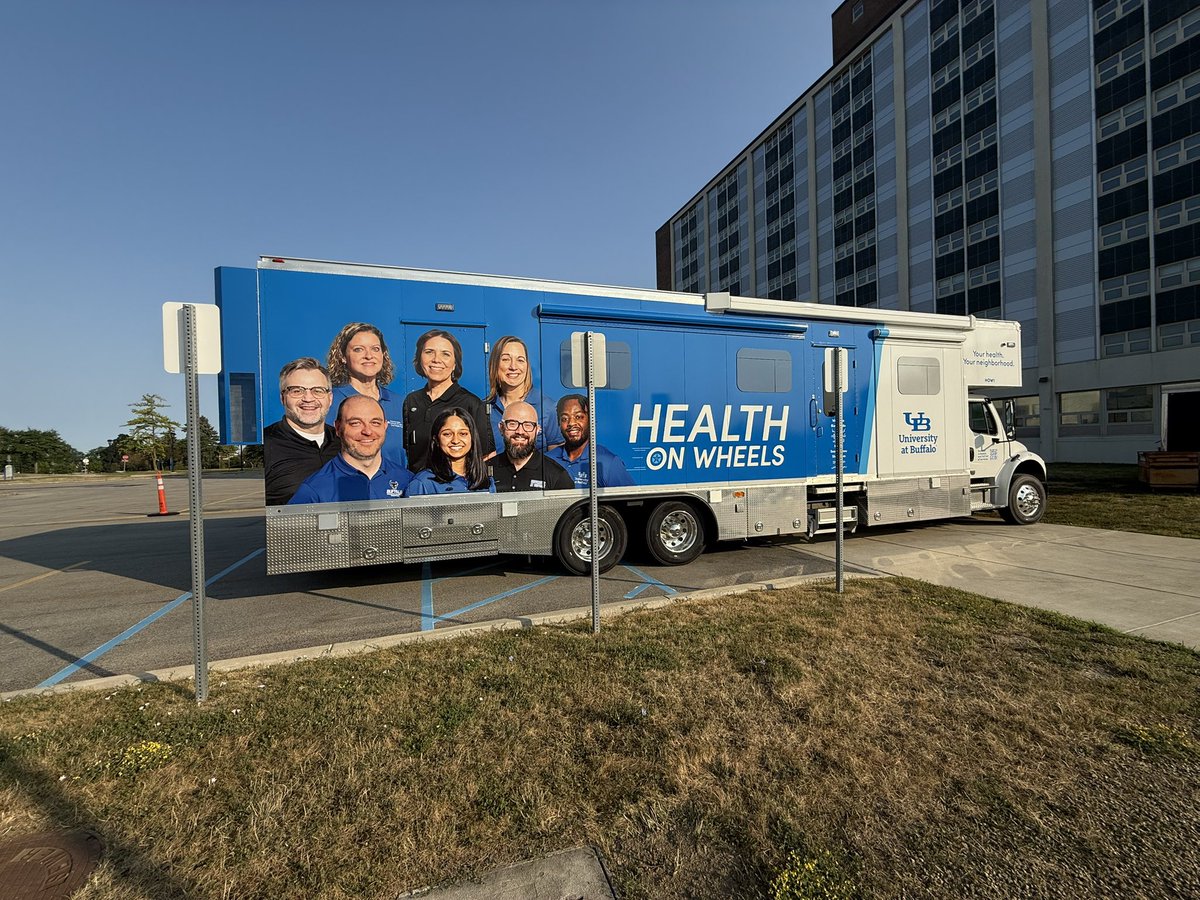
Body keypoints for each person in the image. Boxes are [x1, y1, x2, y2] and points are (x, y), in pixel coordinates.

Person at [289, 395, 412, 503]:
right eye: (355, 423)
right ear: (338, 428)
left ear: (385, 427)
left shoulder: (407, 480)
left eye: (375, 423)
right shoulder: (314, 490)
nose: (367, 431)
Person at [402, 329, 494, 473]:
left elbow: (486, 455)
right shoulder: (412, 401)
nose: (436, 359)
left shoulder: (471, 403)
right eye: (429, 352)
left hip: (456, 489)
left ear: (455, 363)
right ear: (419, 358)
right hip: (418, 488)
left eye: (445, 354)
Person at [326, 323, 408, 471]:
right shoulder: (329, 402)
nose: (369, 356)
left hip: (398, 489)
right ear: (343, 356)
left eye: (375, 349)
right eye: (359, 349)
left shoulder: (401, 404)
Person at [263, 358, 341, 505]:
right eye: (297, 391)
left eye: (318, 391)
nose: (308, 398)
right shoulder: (265, 444)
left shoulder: (345, 441)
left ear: (330, 398)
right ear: (283, 398)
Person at [484, 335, 563, 454]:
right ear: (494, 365)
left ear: (527, 366)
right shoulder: (483, 409)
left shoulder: (548, 408)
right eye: (506, 359)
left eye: (520, 360)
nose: (513, 367)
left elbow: (558, 461)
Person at [546, 394, 635, 488]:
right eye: (564, 418)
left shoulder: (608, 463)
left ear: (591, 421)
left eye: (578, 417)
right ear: (559, 423)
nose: (571, 423)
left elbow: (630, 500)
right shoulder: (548, 460)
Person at [405, 407, 495, 495]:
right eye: (447, 434)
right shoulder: (422, 483)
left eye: (463, 434)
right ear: (436, 439)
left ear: (472, 437)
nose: (455, 440)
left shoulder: (486, 481)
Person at [489, 401, 574, 492]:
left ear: (537, 430)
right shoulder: (484, 471)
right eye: (512, 424)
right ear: (501, 428)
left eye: (528, 425)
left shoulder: (557, 476)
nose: (520, 431)